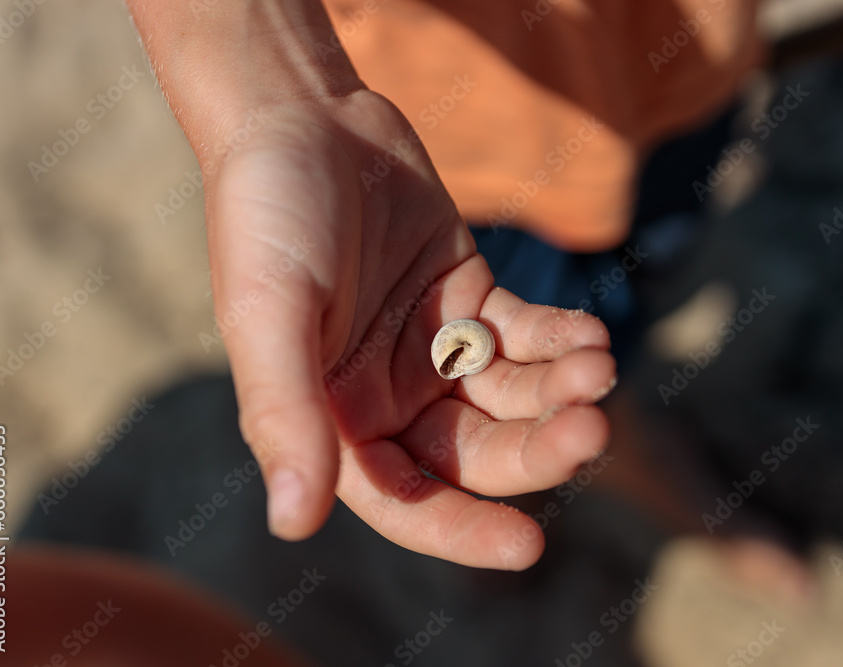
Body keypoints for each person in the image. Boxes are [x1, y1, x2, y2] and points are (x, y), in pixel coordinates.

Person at [123, 0, 760, 571]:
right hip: (446, 171)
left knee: (644, 272)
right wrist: (280, 93)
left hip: (680, 72)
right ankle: (633, 461)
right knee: (562, 363)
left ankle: (621, 427)